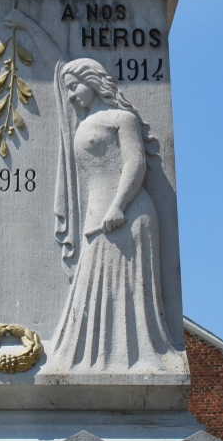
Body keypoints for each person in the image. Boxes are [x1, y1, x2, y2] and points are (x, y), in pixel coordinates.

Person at [46, 57, 180, 373]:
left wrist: (118, 205)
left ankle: (138, 360)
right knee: (94, 292)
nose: (70, 96)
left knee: (128, 292)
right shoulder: (78, 125)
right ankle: (91, 361)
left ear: (92, 81)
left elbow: (136, 164)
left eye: (74, 86)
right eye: (66, 89)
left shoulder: (122, 118)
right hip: (98, 220)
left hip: (127, 217)